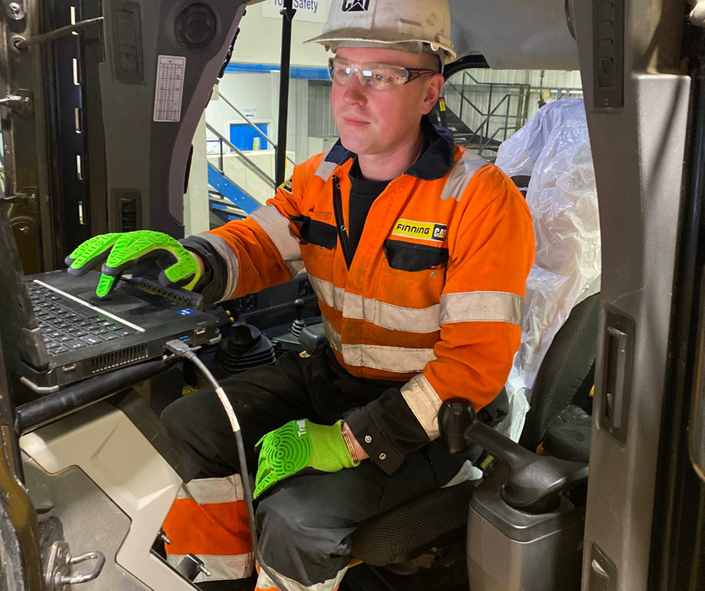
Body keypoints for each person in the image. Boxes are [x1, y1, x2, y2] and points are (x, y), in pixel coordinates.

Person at [65, 0, 535, 588]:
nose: (351, 94)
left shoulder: (481, 202)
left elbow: (473, 368)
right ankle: (223, 576)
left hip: (435, 417)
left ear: (429, 92)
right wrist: (191, 258)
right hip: (338, 376)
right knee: (188, 422)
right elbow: (258, 244)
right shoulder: (320, 177)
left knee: (295, 519)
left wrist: (349, 440)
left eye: (381, 75)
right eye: (343, 68)